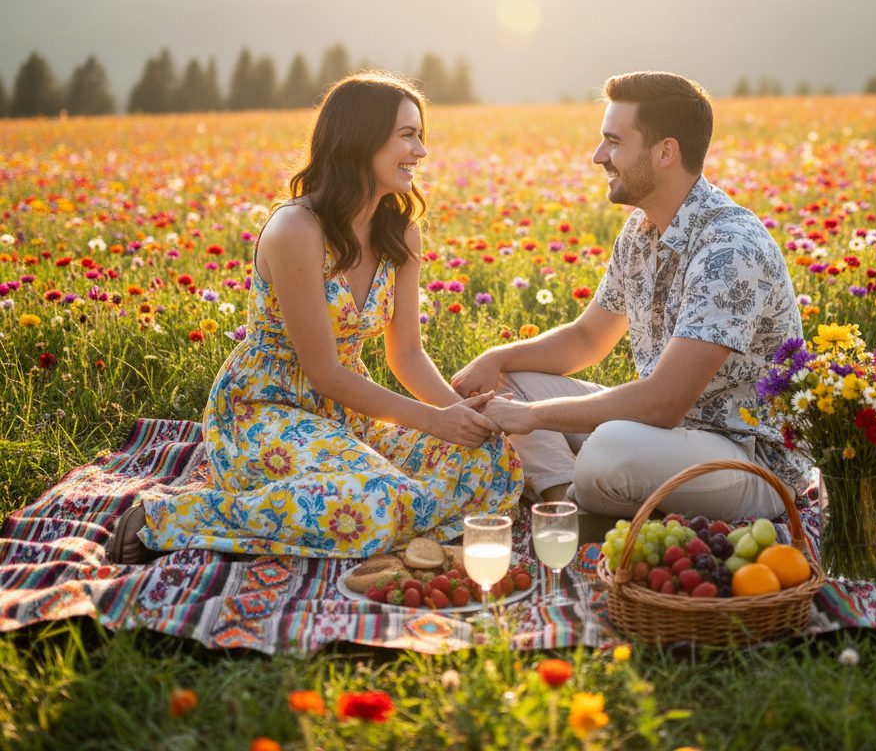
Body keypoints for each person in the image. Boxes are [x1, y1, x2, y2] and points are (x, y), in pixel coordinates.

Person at [109, 72, 523, 563]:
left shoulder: (401, 233)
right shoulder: (296, 229)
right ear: (360, 139)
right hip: (264, 410)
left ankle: (349, 517)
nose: (421, 152)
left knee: (488, 462)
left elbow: (407, 354)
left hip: (349, 416)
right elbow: (324, 373)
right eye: (408, 135)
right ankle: (174, 517)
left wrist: (459, 417)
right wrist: (435, 422)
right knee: (374, 500)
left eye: (420, 136)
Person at [453, 71, 811, 527]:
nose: (598, 156)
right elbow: (586, 338)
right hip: (663, 438)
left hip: (745, 458)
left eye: (614, 142)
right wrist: (498, 357)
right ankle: (570, 506)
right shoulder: (641, 230)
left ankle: (584, 496)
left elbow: (664, 401)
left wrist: (531, 417)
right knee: (505, 382)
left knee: (608, 452)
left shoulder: (729, 247)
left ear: (665, 152)